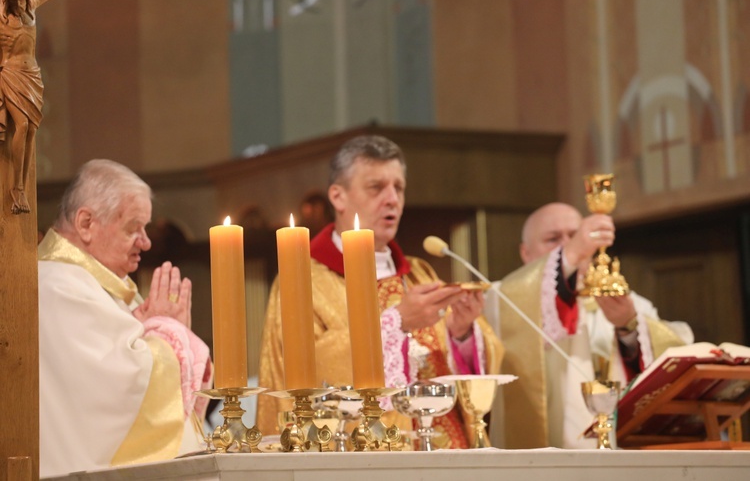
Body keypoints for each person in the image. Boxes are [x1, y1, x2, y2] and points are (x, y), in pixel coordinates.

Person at [257, 135, 503, 448]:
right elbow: (303, 372)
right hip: (366, 452)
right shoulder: (303, 279)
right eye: (376, 187)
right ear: (338, 196)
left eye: (398, 188)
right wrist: (394, 323)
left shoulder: (418, 272)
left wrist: (461, 334)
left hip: (446, 450)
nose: (392, 199)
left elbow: (486, 358)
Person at [38, 159, 212, 477]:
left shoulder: (102, 285)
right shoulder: (57, 286)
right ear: (86, 223)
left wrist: (155, 331)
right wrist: (168, 333)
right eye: (133, 228)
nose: (145, 242)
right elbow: (119, 392)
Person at [498, 202, 692, 449]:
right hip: (550, 457)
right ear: (525, 253)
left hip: (625, 455)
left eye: (575, 236)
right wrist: (572, 252)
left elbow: (665, 373)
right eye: (553, 238)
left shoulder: (633, 303)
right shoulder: (505, 302)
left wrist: (628, 327)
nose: (570, 245)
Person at [0, 0, 77, 214]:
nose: (18, 1)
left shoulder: (32, 4)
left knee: (32, 129)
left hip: (32, 75)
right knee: (22, 125)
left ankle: (20, 185)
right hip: (11, 74)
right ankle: (17, 188)